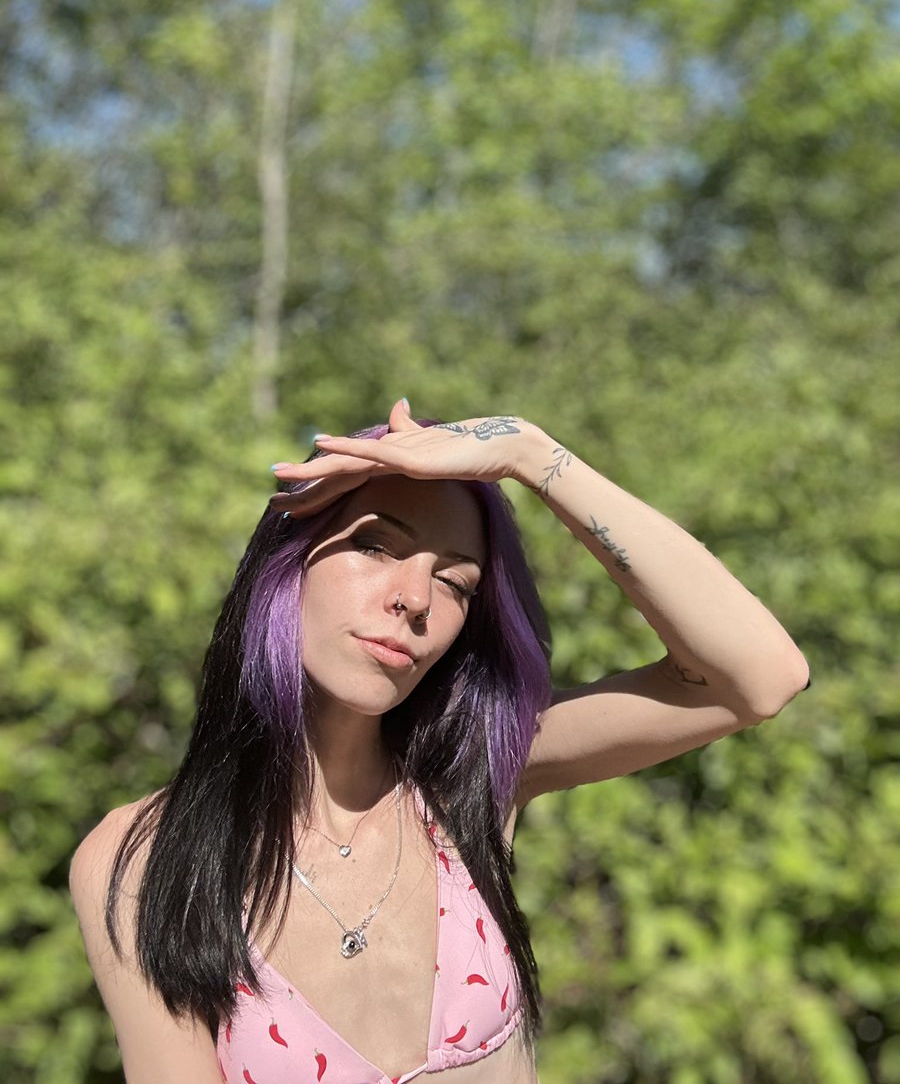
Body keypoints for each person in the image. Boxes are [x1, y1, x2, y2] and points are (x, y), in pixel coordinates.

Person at [69, 400, 809, 1084]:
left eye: (455, 583)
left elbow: (758, 679)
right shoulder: (144, 859)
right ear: (286, 567)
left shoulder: (473, 780)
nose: (416, 598)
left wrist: (529, 453)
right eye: (375, 546)